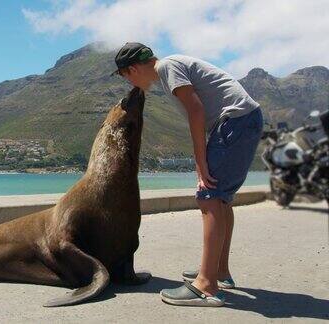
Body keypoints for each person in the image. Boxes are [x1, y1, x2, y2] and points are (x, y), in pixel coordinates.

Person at [112, 42, 263, 307]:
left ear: (133, 69)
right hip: (241, 121)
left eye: (125, 76)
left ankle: (206, 286)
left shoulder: (168, 67)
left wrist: (200, 161)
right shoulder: (170, 68)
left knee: (209, 196)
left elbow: (196, 112)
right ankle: (219, 271)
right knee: (221, 198)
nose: (129, 83)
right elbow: (201, 115)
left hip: (234, 122)